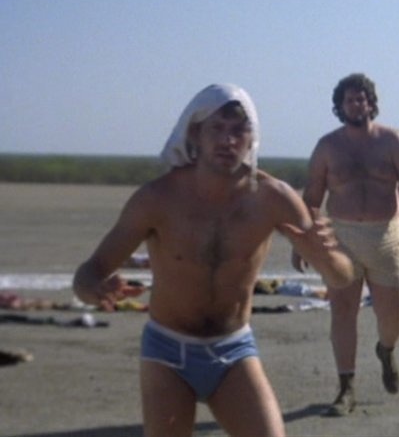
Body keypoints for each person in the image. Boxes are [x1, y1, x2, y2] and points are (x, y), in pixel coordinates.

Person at [73, 83, 353, 437]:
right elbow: (88, 273)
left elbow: (342, 277)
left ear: (253, 137)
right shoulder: (157, 198)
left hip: (233, 349)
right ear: (195, 134)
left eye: (239, 130)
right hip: (167, 351)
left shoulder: (273, 198)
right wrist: (94, 289)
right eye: (216, 128)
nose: (227, 140)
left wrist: (325, 257)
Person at [292, 73, 399, 416]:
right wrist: (302, 242)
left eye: (361, 99)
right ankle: (346, 387)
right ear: (340, 107)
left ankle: (386, 349)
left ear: (371, 103)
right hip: (342, 237)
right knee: (342, 312)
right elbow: (312, 196)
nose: (356, 105)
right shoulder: (328, 147)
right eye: (349, 100)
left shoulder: (393, 142)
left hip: (386, 237)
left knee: (393, 316)